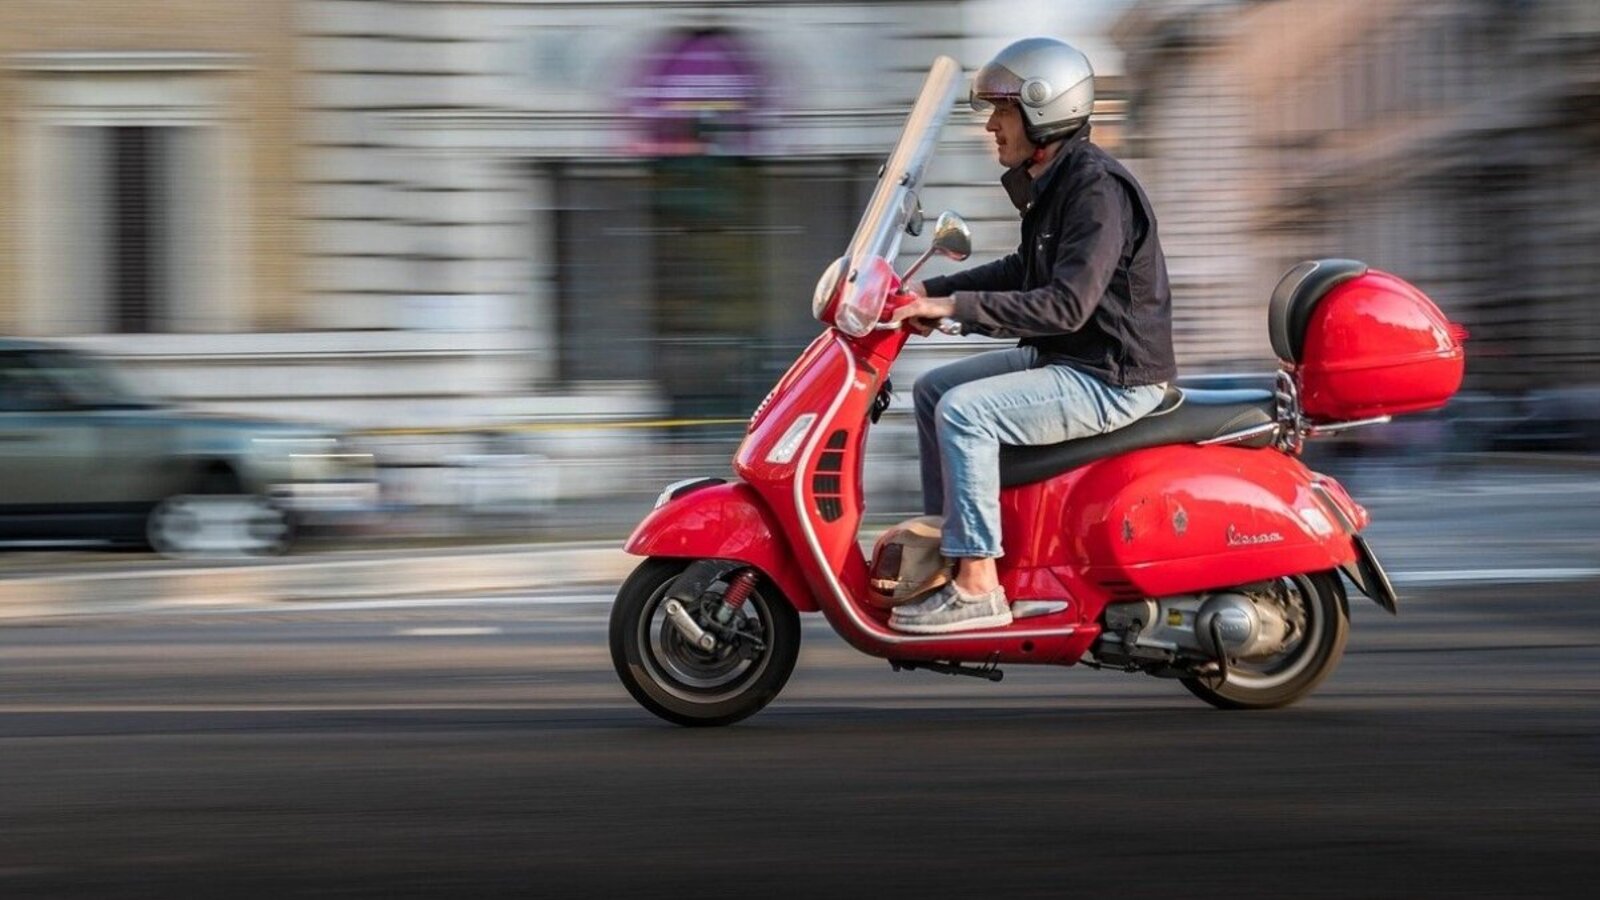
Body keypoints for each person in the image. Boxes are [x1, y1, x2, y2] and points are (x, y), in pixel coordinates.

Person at [886, 37, 1177, 634]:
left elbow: (1066, 305)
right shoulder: (1052, 182)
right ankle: (951, 550)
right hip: (1073, 360)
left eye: (1003, 110)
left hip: (1111, 375)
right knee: (935, 391)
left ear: (1044, 110)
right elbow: (1024, 272)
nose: (991, 125)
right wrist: (925, 294)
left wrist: (954, 305)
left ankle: (978, 584)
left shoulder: (1096, 189)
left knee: (966, 414)